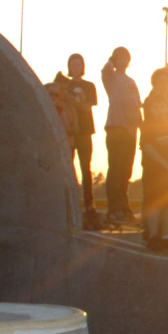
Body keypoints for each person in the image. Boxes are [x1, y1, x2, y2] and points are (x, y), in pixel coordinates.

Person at [139, 67, 168, 251]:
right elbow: (147, 147)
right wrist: (165, 163)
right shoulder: (147, 125)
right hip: (154, 169)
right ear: (151, 108)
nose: (159, 109)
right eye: (156, 106)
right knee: (155, 203)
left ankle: (167, 236)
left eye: (162, 106)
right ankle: (154, 236)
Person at [51, 53, 97, 222]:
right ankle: (67, 201)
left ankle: (89, 204)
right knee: (67, 167)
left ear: (82, 67)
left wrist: (74, 101)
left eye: (78, 65)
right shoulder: (63, 84)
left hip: (84, 131)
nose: (76, 68)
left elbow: (87, 108)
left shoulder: (89, 86)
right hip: (68, 132)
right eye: (73, 65)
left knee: (86, 168)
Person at [99, 48, 139, 227]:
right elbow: (105, 70)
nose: (122, 61)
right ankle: (113, 208)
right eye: (119, 57)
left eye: (125, 58)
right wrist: (111, 60)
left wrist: (139, 127)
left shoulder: (131, 82)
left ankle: (124, 206)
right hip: (115, 127)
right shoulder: (111, 78)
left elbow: (137, 106)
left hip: (130, 130)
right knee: (115, 169)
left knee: (126, 171)